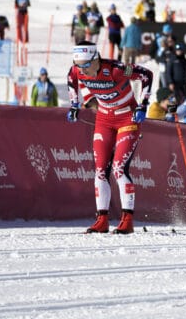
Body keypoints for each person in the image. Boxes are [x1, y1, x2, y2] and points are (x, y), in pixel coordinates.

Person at [66, 41, 153, 234]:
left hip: (127, 118)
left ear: (95, 59)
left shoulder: (117, 70)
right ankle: (102, 220)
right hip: (104, 119)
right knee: (99, 170)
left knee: (119, 169)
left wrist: (143, 105)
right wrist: (74, 105)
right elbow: (71, 79)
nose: (83, 70)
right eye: (79, 65)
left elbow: (146, 75)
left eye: (86, 65)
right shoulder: (77, 70)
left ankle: (127, 220)